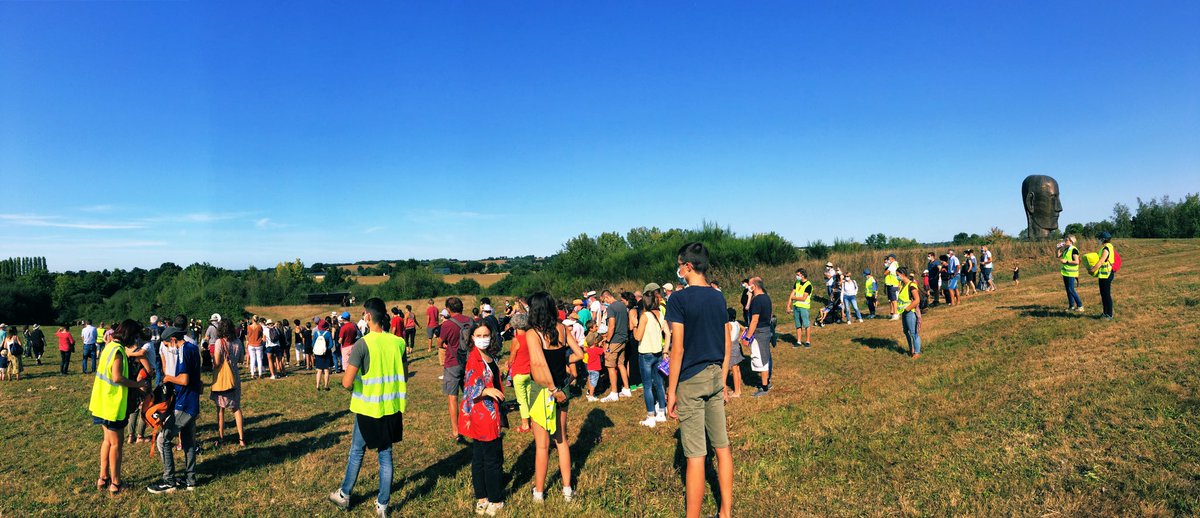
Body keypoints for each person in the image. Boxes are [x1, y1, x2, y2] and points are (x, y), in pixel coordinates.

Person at [665, 242, 733, 518]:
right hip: (716, 375)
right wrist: (724, 377)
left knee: (695, 456)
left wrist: (671, 392)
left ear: (688, 266)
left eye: (679, 264)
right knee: (722, 446)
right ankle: (726, 512)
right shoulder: (718, 297)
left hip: (691, 380)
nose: (678, 269)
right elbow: (727, 340)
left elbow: (677, 348)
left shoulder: (678, 300)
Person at [329, 298, 407, 518]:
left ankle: (344, 495)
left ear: (368, 316)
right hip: (391, 408)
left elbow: (347, 382)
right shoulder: (398, 343)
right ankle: (383, 506)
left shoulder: (362, 344)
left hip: (367, 410)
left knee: (356, 452)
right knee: (386, 456)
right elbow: (404, 375)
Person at [525, 291, 584, 503]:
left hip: (543, 391)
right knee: (562, 440)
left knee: (542, 445)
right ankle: (567, 489)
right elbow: (579, 354)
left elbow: (539, 363)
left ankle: (539, 492)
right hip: (563, 388)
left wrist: (552, 389)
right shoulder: (562, 328)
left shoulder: (532, 334)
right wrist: (566, 367)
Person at [89, 320, 147, 495]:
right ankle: (115, 483)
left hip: (100, 402)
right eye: (135, 336)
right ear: (130, 335)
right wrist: (137, 385)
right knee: (116, 444)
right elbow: (117, 378)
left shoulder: (109, 346)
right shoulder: (118, 351)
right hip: (112, 405)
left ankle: (103, 477)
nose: (136, 341)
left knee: (106, 441)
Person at [147, 324, 202, 494]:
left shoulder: (184, 351)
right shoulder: (193, 347)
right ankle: (190, 479)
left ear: (172, 340)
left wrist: (169, 378)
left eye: (165, 344)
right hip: (192, 402)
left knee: (163, 440)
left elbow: (184, 380)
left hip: (184, 404)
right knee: (188, 442)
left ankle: (169, 481)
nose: (166, 347)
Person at [459, 323, 506, 515]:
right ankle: (495, 499)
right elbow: (470, 385)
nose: (483, 338)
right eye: (479, 335)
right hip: (483, 413)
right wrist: (487, 390)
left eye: (486, 334)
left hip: (488, 412)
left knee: (479, 456)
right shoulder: (474, 359)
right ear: (472, 337)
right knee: (492, 458)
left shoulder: (489, 356)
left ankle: (482, 497)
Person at [632, 288, 669, 427]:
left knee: (647, 385)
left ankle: (650, 415)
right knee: (659, 383)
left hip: (646, 354)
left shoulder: (645, 316)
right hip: (658, 352)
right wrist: (665, 350)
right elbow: (668, 333)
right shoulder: (660, 314)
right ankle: (661, 411)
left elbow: (637, 337)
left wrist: (635, 325)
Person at [438, 298, 472, 441]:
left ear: (448, 309)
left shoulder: (447, 324)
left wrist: (445, 345)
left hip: (452, 362)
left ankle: (456, 431)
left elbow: (440, 342)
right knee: (471, 394)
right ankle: (474, 422)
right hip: (469, 361)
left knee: (453, 397)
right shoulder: (470, 321)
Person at [210, 319, 246, 447]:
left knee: (220, 409)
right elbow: (241, 359)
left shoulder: (220, 342)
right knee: (236, 408)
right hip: (235, 377)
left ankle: (221, 437)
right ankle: (241, 438)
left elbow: (217, 362)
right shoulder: (238, 342)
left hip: (223, 378)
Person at [599, 290, 632, 402]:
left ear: (607, 297)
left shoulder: (611, 308)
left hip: (614, 340)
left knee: (610, 366)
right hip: (624, 338)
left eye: (604, 301)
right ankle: (626, 389)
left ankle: (614, 393)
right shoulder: (622, 306)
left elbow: (611, 325)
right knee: (621, 364)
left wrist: (607, 341)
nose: (604, 303)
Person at [743, 278, 772, 397]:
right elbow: (770, 314)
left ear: (754, 286)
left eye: (749, 285)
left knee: (760, 358)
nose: (747, 287)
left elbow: (754, 320)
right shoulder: (766, 297)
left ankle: (764, 387)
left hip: (759, 333)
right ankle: (766, 382)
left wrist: (747, 337)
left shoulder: (756, 300)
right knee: (765, 355)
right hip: (766, 329)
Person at [506, 312, 533, 432]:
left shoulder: (516, 340)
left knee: (522, 400)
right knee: (529, 397)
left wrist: (507, 367)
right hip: (530, 371)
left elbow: (512, 357)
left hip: (519, 372)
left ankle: (525, 424)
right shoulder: (531, 337)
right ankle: (533, 421)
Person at [1088, 231, 1117, 319]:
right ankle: (1105, 313)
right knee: (1103, 294)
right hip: (1103, 274)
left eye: (1099, 239)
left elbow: (1101, 261)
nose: (1098, 240)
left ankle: (1109, 314)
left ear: (1103, 239)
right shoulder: (1107, 247)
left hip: (1107, 274)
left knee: (1106, 295)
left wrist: (1093, 270)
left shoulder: (1106, 249)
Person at [896, 267, 922, 359]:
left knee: (913, 332)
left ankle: (917, 352)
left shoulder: (912, 285)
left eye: (897, 275)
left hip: (910, 312)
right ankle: (911, 349)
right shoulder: (903, 285)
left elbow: (917, 300)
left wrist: (907, 309)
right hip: (904, 312)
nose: (896, 277)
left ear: (902, 275)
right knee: (906, 332)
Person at [787, 268, 814, 348]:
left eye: (798, 275)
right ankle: (798, 341)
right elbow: (792, 293)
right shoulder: (797, 282)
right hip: (796, 307)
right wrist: (788, 305)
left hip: (804, 307)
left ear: (802, 275)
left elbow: (803, 298)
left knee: (806, 324)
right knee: (798, 325)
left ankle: (808, 341)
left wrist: (793, 298)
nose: (796, 276)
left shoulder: (808, 285)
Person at [1059, 235, 1084, 312]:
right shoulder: (1067, 249)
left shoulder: (1074, 250)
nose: (1065, 241)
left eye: (1066, 240)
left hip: (1071, 273)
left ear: (1071, 241)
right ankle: (1071, 306)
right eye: (1065, 239)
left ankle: (1080, 306)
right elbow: (1058, 255)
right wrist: (1058, 248)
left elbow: (1077, 262)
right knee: (1068, 290)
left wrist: (1066, 261)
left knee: (1071, 289)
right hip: (1066, 272)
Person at [725, 308, 744, 397]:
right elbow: (744, 329)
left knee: (734, 369)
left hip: (731, 347)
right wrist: (740, 338)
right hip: (737, 344)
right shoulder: (736, 323)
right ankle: (738, 390)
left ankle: (736, 392)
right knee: (737, 369)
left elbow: (726, 337)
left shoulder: (728, 325)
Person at [583, 321, 604, 402]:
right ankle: (591, 394)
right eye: (595, 326)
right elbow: (603, 351)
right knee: (593, 381)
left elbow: (586, 348)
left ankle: (590, 392)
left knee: (591, 379)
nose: (597, 327)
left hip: (590, 365)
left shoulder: (589, 348)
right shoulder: (595, 349)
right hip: (593, 366)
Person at [313, 318, 335, 391]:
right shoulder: (328, 334)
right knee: (326, 370)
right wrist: (326, 349)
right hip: (326, 354)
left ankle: (317, 386)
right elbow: (331, 345)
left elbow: (313, 344)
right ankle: (326, 386)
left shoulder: (316, 333)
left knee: (319, 370)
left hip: (318, 354)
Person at [883, 255, 901, 320]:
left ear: (892, 259)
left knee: (894, 300)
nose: (888, 260)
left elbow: (886, 273)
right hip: (892, 284)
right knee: (892, 300)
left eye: (889, 259)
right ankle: (894, 313)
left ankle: (896, 314)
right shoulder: (894, 264)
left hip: (893, 284)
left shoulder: (893, 264)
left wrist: (886, 270)